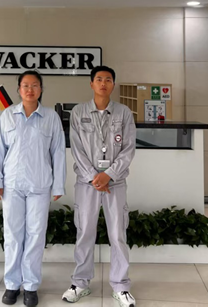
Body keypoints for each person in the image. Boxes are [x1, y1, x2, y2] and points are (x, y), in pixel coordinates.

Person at [62, 66, 137, 307]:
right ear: (91, 84)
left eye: (108, 79)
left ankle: (121, 286)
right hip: (87, 183)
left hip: (115, 183)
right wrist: (95, 177)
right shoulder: (78, 112)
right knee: (85, 232)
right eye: (99, 79)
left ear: (113, 84)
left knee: (118, 234)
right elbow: (77, 148)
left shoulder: (124, 113)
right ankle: (80, 283)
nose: (103, 83)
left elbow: (128, 149)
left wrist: (109, 175)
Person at [0, 70, 66, 307]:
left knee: (35, 235)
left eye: (34, 85)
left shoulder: (51, 117)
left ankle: (31, 286)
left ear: (41, 89)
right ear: (19, 89)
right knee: (13, 235)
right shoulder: (8, 115)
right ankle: (12, 284)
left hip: (39, 184)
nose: (30, 90)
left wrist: (58, 183)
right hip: (12, 184)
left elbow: (58, 152)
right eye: (25, 85)